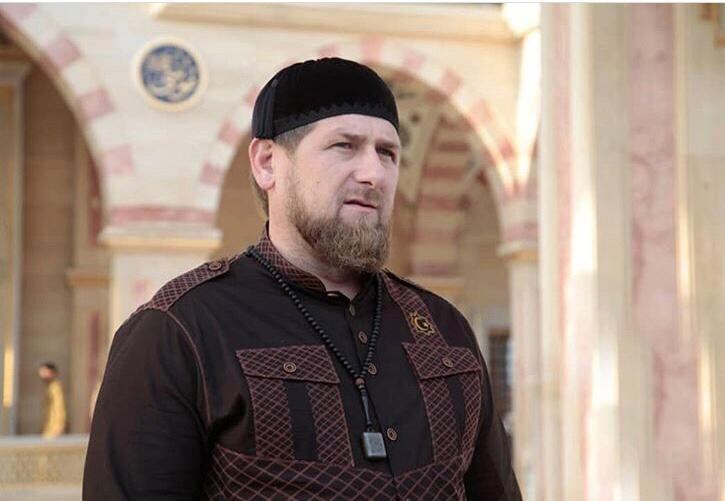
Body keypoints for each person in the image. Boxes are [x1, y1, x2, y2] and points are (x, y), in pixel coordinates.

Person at [83, 57, 521, 500]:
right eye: (344, 146)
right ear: (267, 163)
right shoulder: (180, 330)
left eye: (388, 153)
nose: (374, 174)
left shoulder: (444, 329)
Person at [38, 362, 66, 438]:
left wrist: (59, 426)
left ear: (52, 373)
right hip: (48, 428)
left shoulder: (55, 387)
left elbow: (59, 408)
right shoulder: (49, 387)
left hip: (54, 429)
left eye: (44, 372)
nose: (42, 375)